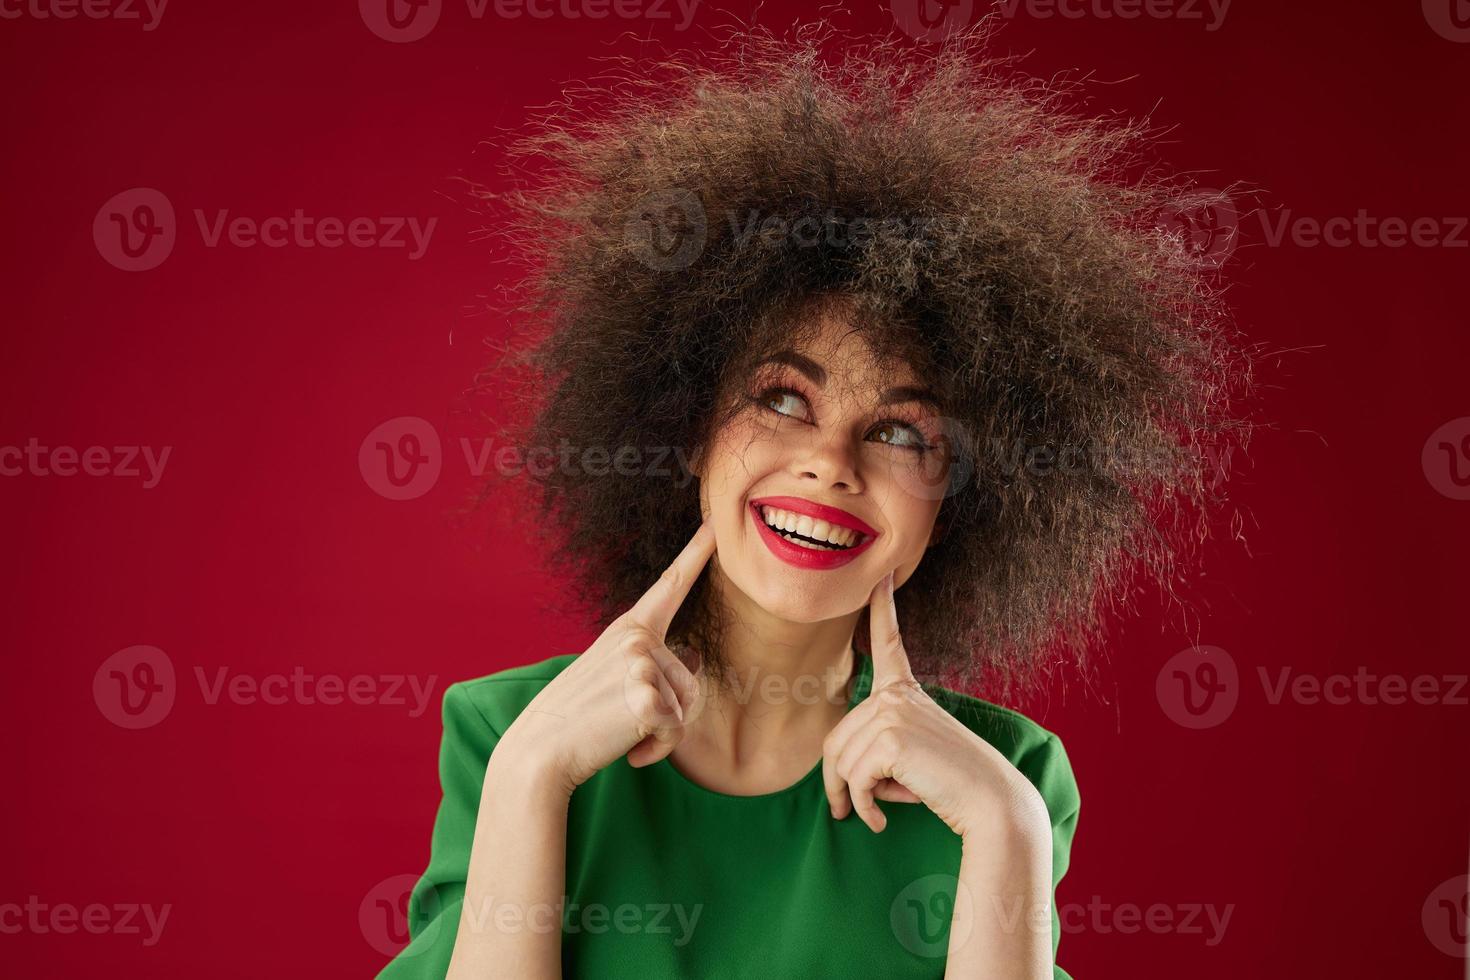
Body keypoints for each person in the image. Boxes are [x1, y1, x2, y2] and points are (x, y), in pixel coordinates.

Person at [379, 22, 1245, 980]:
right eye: (783, 399)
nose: (832, 464)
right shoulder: (510, 734)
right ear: (687, 430)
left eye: (901, 430)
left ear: (952, 506)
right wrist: (532, 779)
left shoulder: (1007, 780)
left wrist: (1006, 829)